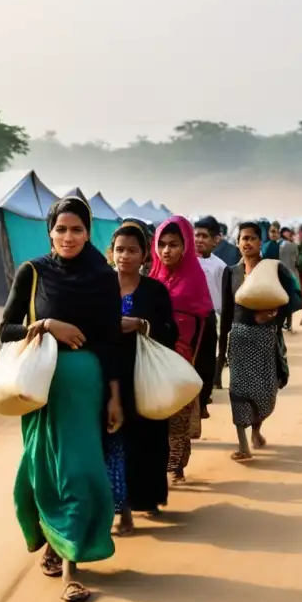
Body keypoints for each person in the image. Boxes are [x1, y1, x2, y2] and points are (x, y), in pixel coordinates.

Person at [0, 197, 123, 602]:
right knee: (39, 468)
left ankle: (72, 565)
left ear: (89, 232)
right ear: (49, 231)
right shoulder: (32, 271)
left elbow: (110, 342)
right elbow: (5, 329)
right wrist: (47, 325)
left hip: (84, 385)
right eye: (61, 229)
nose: (68, 237)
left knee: (79, 470)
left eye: (77, 229)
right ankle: (52, 541)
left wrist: (115, 397)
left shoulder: (103, 276)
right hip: (39, 386)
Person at [109, 223, 177, 533]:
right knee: (113, 441)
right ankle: (120, 507)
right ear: (111, 252)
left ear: (144, 255)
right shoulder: (99, 287)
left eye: (132, 250)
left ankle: (145, 497)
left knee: (146, 439)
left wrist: (142, 325)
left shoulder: (154, 290)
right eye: (120, 249)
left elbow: (170, 332)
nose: (125, 256)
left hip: (144, 375)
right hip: (108, 375)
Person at [218, 221, 302, 462]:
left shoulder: (274, 269)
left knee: (266, 393)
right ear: (237, 242)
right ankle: (243, 445)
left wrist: (276, 316)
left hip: (265, 338)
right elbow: (226, 312)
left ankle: (256, 429)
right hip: (239, 338)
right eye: (243, 238)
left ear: (260, 242)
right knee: (239, 392)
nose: (247, 243)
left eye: (252, 238)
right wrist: (222, 349)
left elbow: (294, 299)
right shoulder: (231, 272)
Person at [149, 215, 213, 484]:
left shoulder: (196, 281)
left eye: (173, 244)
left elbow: (208, 337)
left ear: (185, 246)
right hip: (151, 362)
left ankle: (176, 467)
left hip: (183, 363)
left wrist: (205, 383)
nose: (166, 250)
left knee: (177, 420)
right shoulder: (150, 280)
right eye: (161, 244)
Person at [194, 217, 227, 419]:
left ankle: (204, 400)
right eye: (196, 235)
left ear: (216, 240)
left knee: (206, 362)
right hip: (187, 318)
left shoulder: (220, 267)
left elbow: (222, 299)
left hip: (208, 318)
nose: (199, 240)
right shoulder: (185, 261)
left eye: (204, 236)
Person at [278, 227, 300, 330]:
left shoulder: (281, 245)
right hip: (287, 274)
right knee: (287, 299)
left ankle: (287, 323)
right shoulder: (290, 245)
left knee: (286, 299)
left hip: (285, 274)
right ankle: (287, 323)